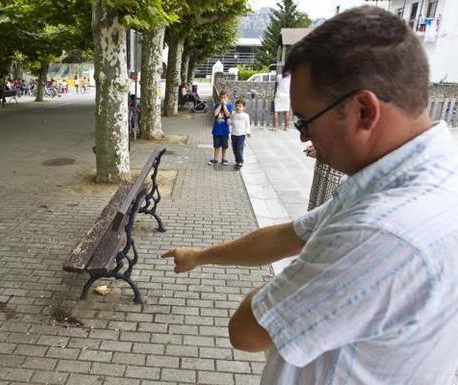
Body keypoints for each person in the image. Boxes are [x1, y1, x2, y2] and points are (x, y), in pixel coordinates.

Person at [162, 6, 458, 385]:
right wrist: (200, 257)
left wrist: (306, 275)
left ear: (363, 110)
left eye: (305, 120)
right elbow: (291, 235)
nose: (302, 135)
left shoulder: (380, 230)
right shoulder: (421, 175)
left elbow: (247, 331)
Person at [208, 90, 233, 166]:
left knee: (224, 146)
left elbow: (228, 114)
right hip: (217, 130)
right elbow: (215, 114)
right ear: (219, 98)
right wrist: (220, 105)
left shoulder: (229, 105)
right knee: (216, 145)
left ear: (227, 98)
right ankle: (215, 159)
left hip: (225, 130)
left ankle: (223, 159)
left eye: (224, 97)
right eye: (221, 98)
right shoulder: (217, 105)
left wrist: (224, 105)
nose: (223, 99)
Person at [229, 99, 251, 169]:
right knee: (234, 149)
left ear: (243, 107)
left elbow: (248, 125)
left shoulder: (245, 116)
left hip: (241, 135)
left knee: (239, 149)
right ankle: (237, 161)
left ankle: (240, 161)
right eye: (237, 106)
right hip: (233, 134)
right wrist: (229, 121)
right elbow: (230, 121)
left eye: (240, 106)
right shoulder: (233, 113)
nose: (238, 107)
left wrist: (248, 132)